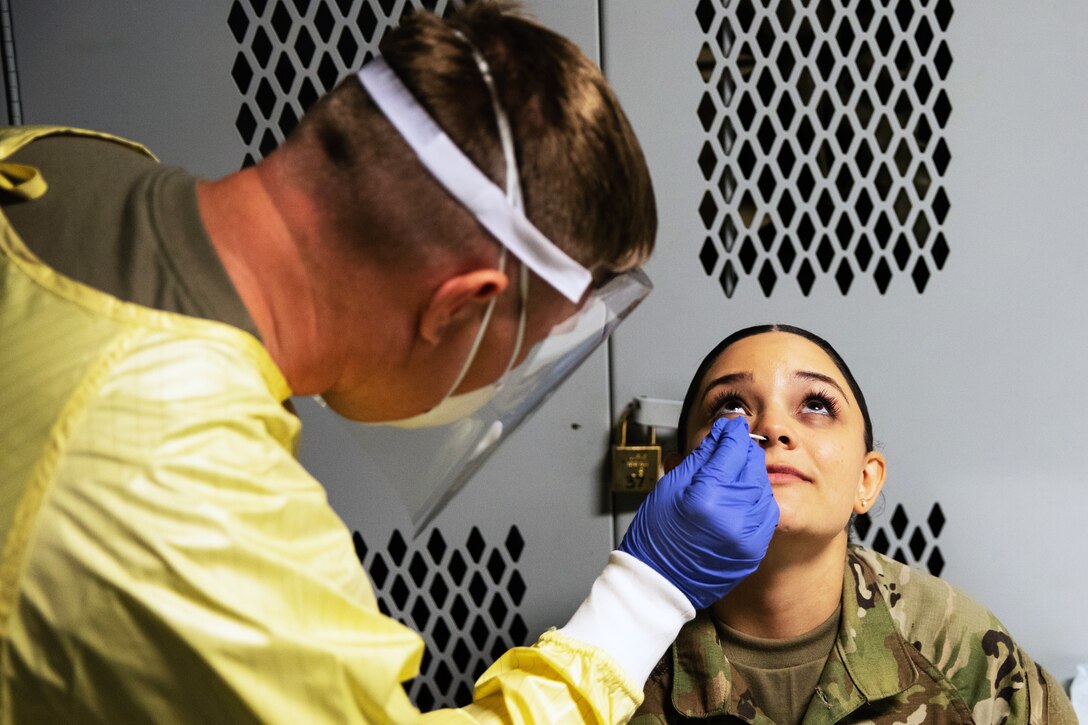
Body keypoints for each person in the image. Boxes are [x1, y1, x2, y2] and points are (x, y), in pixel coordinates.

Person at [0, 2, 780, 722]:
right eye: (533, 344)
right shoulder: (187, 487)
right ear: (459, 306)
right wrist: (645, 596)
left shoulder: (56, 162)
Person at [631, 324, 1077, 724]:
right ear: (676, 477)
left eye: (817, 406)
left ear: (866, 480)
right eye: (731, 406)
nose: (771, 427)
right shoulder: (616, 653)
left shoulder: (961, 647)